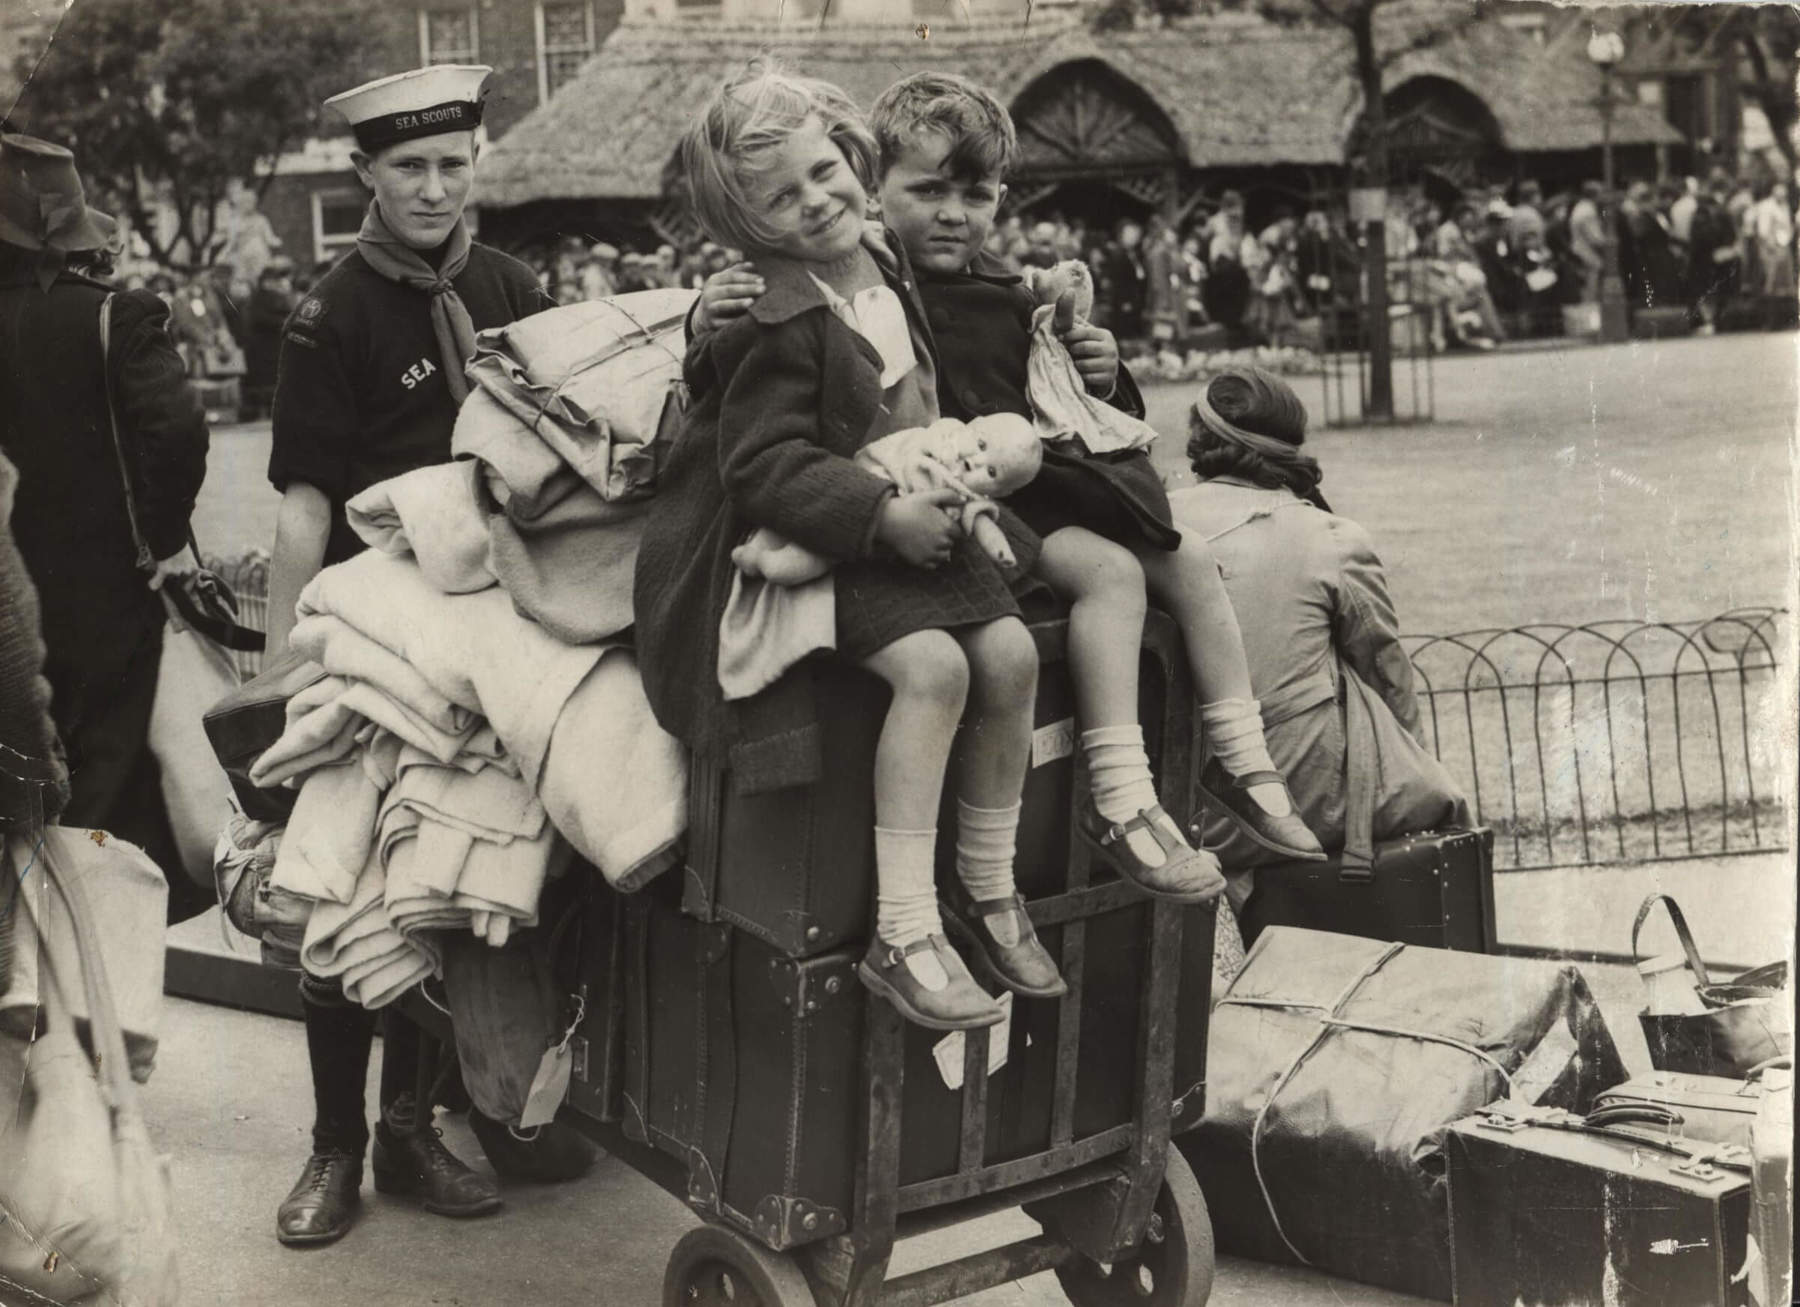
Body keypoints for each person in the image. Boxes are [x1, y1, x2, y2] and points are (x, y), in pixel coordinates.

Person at [693, 70, 1322, 884]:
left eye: (977, 195)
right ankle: (1119, 787)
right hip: (991, 503)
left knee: (1191, 557)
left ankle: (1241, 754)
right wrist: (701, 315)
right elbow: (757, 333)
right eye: (926, 192)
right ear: (877, 186)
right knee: (1110, 572)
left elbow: (1063, 400)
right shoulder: (870, 266)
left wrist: (1097, 364)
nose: (954, 215)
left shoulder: (1001, 286)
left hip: (1042, 482)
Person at [638, 62, 1068, 1034]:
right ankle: (904, 930)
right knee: (929, 671)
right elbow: (763, 465)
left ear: (851, 155)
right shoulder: (775, 315)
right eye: (781, 200)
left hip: (914, 495)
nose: (817, 201)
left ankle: (987, 884)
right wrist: (878, 518)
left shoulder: (880, 253)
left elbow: (916, 384)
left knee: (1007, 653)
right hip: (831, 532)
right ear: (746, 228)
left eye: (825, 172)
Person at [263, 64, 585, 1251]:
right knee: (341, 884)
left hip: (492, 633)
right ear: (365, 177)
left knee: (451, 884)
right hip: (372, 634)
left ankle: (415, 1119)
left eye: (453, 163)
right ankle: (333, 1146)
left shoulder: (511, 288)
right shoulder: (331, 314)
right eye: (410, 168)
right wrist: (288, 671)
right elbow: (303, 510)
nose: (436, 187)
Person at [1166, 367, 1470, 933]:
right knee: (1443, 804)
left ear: (1200, 441)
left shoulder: (1157, 517)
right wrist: (1417, 765)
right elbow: (1387, 674)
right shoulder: (1329, 536)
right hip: (1288, 806)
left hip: (1169, 815)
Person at [0, 133, 211, 920]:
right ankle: (98, 992)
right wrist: (163, 535)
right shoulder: (117, 316)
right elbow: (179, 431)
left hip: (7, 603)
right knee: (104, 802)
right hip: (105, 599)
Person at [241, 256, 295, 420]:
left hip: (273, 345)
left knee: (272, 378)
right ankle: (263, 410)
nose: (275, 283)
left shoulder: (278, 296)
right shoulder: (259, 298)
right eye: (272, 280)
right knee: (264, 381)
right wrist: (283, 322)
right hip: (262, 346)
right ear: (264, 281)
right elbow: (259, 318)